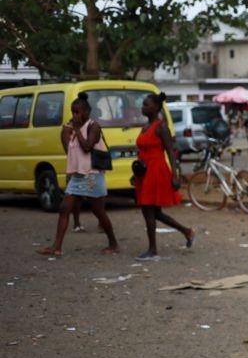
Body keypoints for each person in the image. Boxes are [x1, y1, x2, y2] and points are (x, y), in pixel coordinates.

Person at [35, 92, 119, 257]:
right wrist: (68, 132)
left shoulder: (93, 126)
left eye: (77, 112)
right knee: (64, 208)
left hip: (92, 176)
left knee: (99, 212)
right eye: (73, 112)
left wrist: (77, 130)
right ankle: (56, 247)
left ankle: (113, 243)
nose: (74, 116)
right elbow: (69, 150)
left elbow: (87, 147)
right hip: (78, 175)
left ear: (87, 112)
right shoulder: (71, 129)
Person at [134, 92, 194, 260]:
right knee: (154, 212)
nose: (143, 107)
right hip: (144, 172)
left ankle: (152, 250)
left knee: (149, 211)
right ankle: (187, 231)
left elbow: (171, 152)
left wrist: (175, 175)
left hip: (156, 171)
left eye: (146, 104)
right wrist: (136, 172)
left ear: (156, 107)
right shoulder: (145, 127)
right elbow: (141, 151)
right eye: (143, 104)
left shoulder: (161, 127)